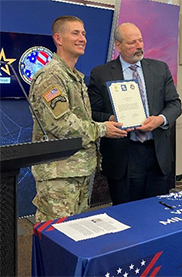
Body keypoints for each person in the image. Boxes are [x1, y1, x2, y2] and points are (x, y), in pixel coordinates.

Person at [29, 16, 130, 222]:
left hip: (78, 171)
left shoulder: (74, 76)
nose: (82, 38)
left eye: (83, 33)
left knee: (74, 236)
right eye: (75, 33)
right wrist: (102, 129)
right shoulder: (51, 76)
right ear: (58, 38)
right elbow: (62, 125)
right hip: (58, 175)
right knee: (56, 237)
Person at [88, 22, 182, 205]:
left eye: (140, 40)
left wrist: (160, 120)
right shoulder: (101, 73)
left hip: (156, 155)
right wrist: (111, 119)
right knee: (126, 215)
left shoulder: (160, 69)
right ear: (118, 45)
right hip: (124, 156)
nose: (139, 46)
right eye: (132, 42)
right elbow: (92, 112)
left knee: (157, 213)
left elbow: (175, 104)